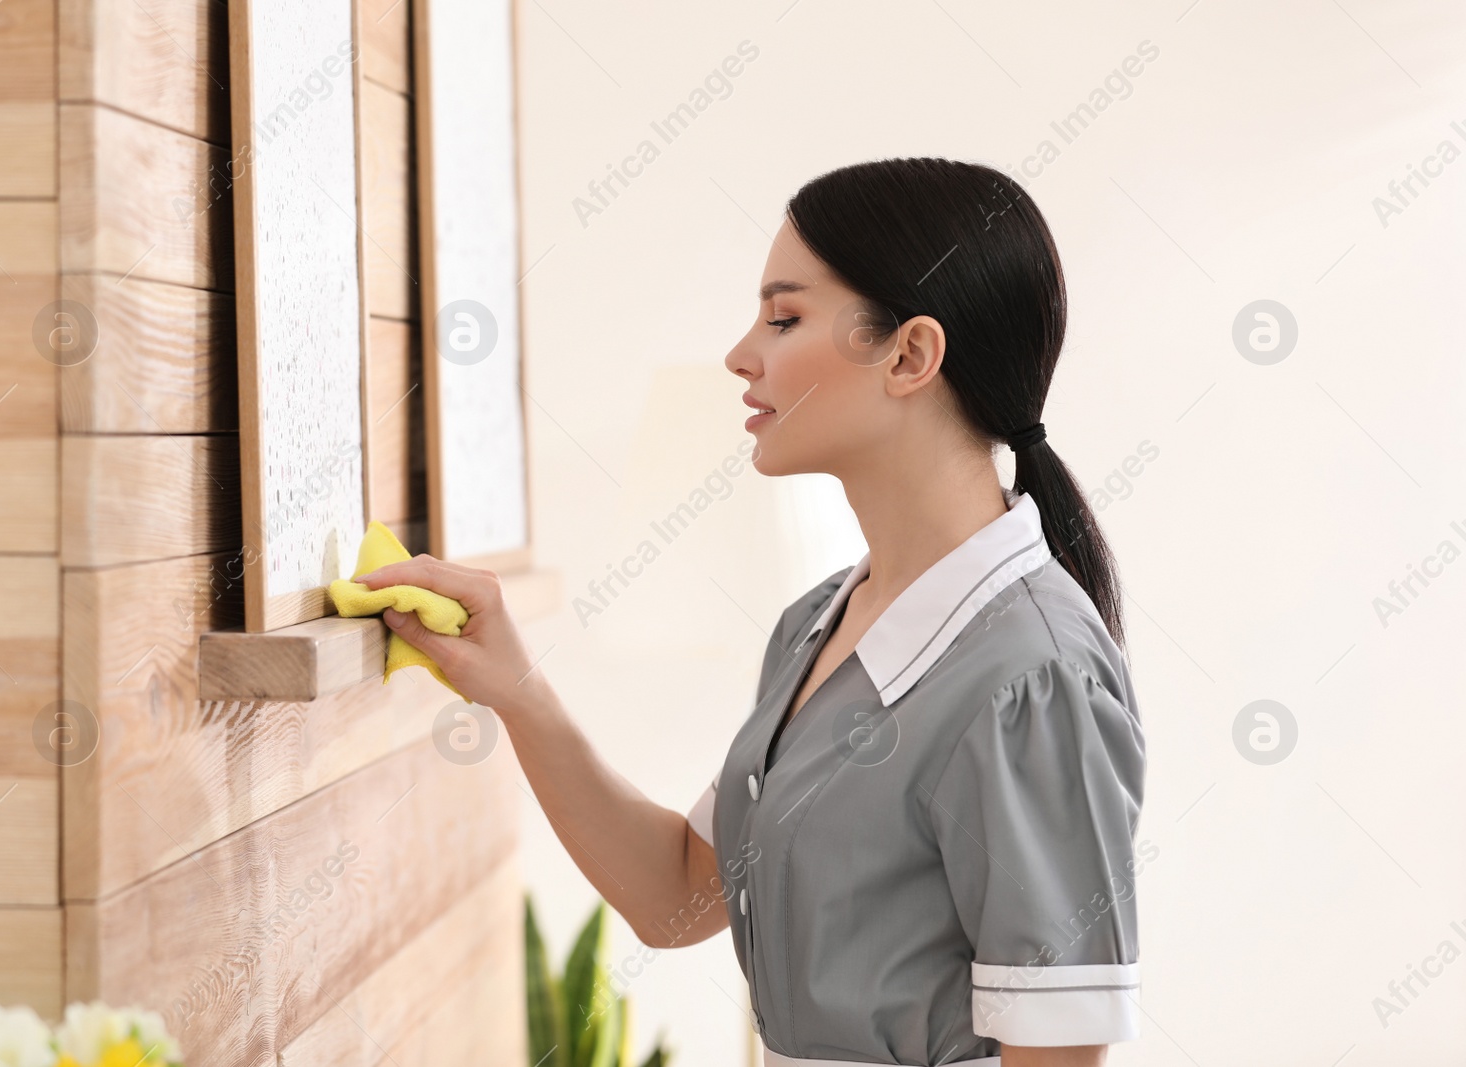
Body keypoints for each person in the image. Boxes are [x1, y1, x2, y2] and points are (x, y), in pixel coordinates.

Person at [360, 157, 1147, 1067]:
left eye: (784, 317)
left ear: (910, 354)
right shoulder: (817, 623)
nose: (742, 354)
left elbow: (1058, 1052)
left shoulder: (1031, 674)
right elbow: (679, 895)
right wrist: (518, 690)